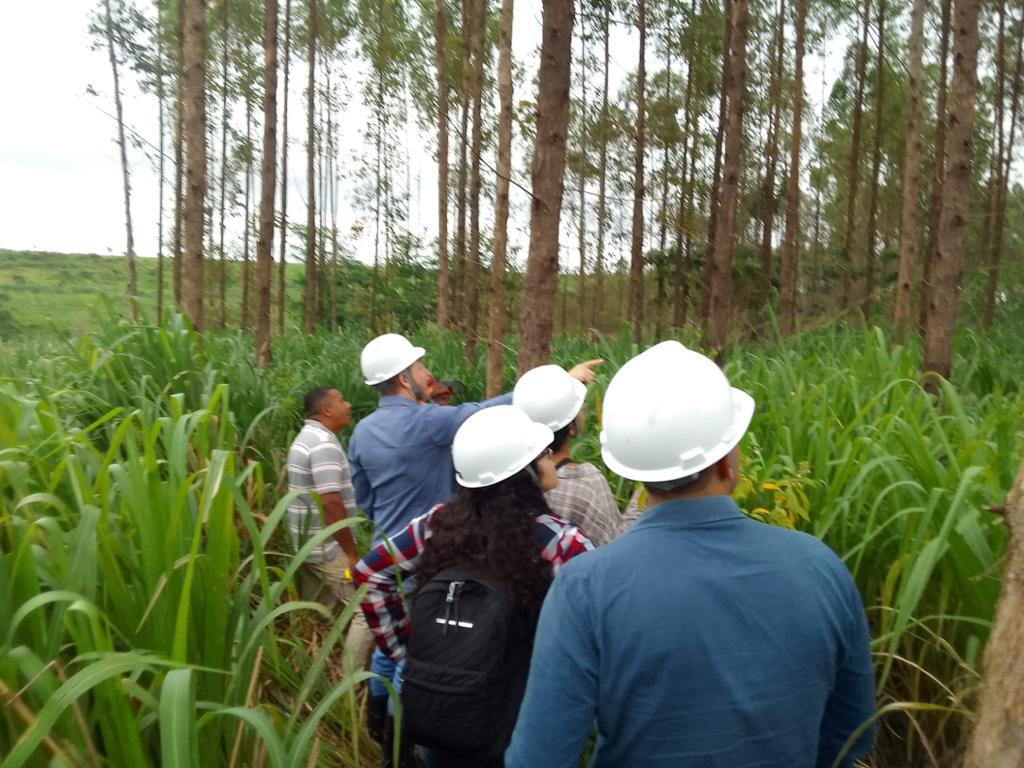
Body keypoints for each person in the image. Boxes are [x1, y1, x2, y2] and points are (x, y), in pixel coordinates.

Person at [506, 341, 876, 768]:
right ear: (725, 461)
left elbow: (539, 757)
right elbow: (852, 731)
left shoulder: (584, 587)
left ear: (630, 470)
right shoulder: (821, 567)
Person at [348, 333, 600, 760]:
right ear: (526, 469)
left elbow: (370, 572)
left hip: (444, 714)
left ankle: (386, 719)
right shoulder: (556, 542)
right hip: (513, 720)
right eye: (540, 452)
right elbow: (600, 611)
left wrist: (408, 652)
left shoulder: (432, 524)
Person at [286, 386, 374, 671]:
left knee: (320, 614)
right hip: (326, 549)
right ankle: (348, 687)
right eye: (342, 401)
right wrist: (350, 553)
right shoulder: (323, 443)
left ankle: (313, 678)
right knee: (367, 608)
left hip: (307, 547)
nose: (348, 405)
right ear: (326, 410)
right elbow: (331, 502)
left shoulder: (305, 438)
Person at [513, 364, 623, 546]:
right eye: (581, 409)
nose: (584, 411)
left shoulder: (510, 475)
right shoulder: (586, 481)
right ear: (571, 428)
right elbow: (613, 544)